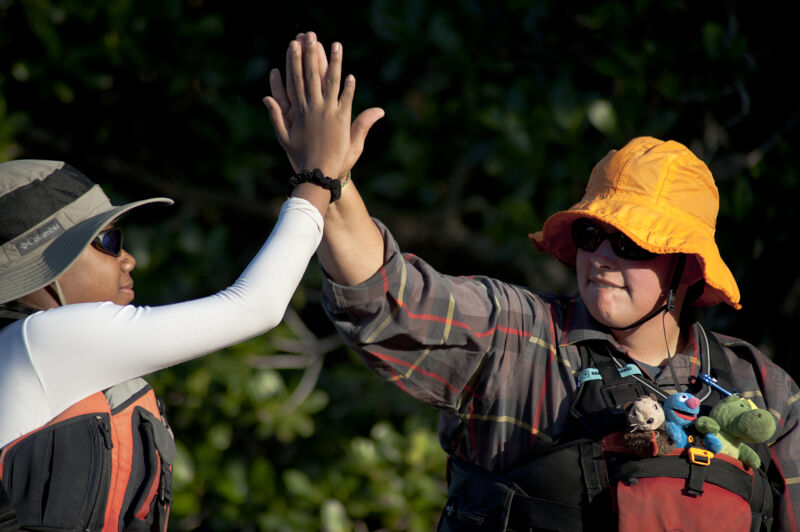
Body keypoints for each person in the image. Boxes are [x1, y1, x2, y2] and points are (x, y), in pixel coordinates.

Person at [267, 33, 800, 531]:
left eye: (633, 244)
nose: (601, 257)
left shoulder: (764, 387)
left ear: (686, 267)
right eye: (592, 233)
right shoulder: (518, 338)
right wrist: (326, 181)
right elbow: (388, 302)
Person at [0, 34, 382, 532]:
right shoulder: (39, 343)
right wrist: (319, 176)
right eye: (108, 241)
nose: (129, 259)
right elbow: (256, 307)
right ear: (35, 277)